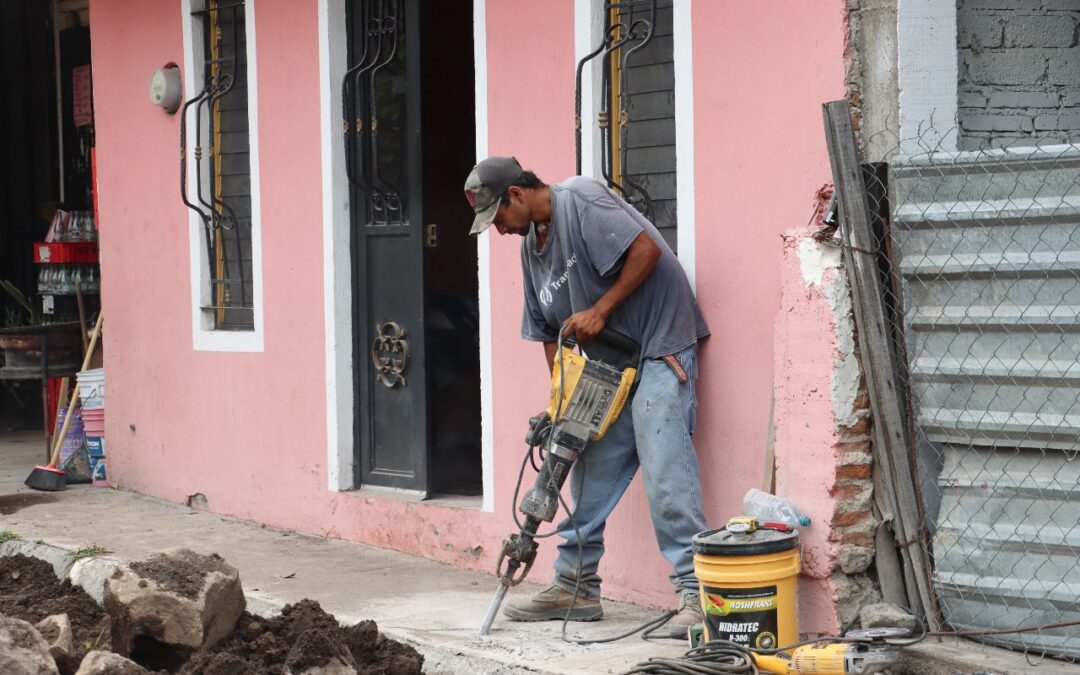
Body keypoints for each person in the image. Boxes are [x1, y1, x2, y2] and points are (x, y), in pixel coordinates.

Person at [463, 156, 711, 638]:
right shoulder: (529, 248)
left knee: (663, 469)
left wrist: (600, 309)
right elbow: (549, 332)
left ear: (515, 195)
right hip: (607, 367)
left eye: (497, 219)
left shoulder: (579, 199)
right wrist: (561, 403)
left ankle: (696, 594)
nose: (498, 231)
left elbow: (647, 251)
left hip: (659, 343)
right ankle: (574, 587)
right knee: (586, 462)